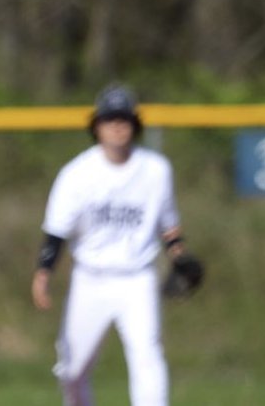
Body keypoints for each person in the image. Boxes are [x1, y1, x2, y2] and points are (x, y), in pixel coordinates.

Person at [31, 84, 190, 406]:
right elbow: (57, 232)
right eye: (109, 119)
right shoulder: (77, 174)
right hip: (91, 279)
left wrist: (180, 257)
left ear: (135, 124)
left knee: (148, 358)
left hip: (137, 278)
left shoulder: (156, 170)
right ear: (97, 126)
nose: (117, 126)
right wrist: (43, 273)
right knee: (72, 370)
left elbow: (168, 225)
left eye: (124, 119)